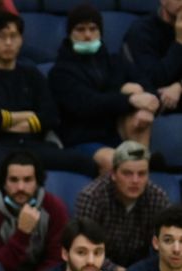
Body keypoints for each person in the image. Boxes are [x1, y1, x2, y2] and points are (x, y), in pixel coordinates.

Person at [0, 10, 98, 177]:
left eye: (14, 36)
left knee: (86, 164)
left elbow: (51, 116)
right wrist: (27, 115)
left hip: (34, 145)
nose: (8, 42)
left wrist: (6, 122)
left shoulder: (32, 74)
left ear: (21, 40)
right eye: (1, 36)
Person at [49, 4, 160, 174]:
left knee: (137, 95)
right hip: (82, 139)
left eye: (93, 29)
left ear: (100, 32)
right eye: (80, 29)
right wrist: (129, 100)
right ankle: (138, 169)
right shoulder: (60, 72)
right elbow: (86, 105)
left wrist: (149, 101)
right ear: (70, 33)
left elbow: (148, 86)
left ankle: (140, 169)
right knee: (115, 161)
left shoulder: (115, 62)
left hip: (117, 133)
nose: (87, 35)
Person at [0, 150, 68, 271]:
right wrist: (22, 234)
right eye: (13, 180)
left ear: (37, 182)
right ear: (3, 183)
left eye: (27, 180)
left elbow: (57, 261)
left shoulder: (54, 208)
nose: (20, 187)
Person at [75, 141, 172, 271]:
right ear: (113, 174)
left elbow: (166, 245)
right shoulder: (92, 197)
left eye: (142, 174)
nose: (135, 180)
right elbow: (84, 248)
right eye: (127, 173)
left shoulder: (157, 198)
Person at [123, 0, 182, 113]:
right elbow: (154, 80)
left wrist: (179, 87)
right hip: (156, 101)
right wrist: (179, 42)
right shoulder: (141, 31)